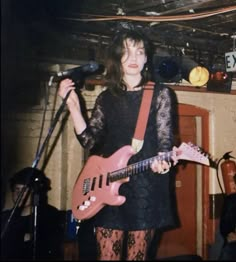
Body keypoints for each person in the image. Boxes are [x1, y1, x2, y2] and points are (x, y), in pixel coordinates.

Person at [58, 28, 178, 260]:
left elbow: (165, 143)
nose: (133, 58)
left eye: (139, 52)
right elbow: (90, 141)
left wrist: (164, 162)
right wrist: (73, 106)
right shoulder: (106, 98)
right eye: (126, 52)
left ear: (146, 59)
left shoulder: (160, 94)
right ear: (117, 58)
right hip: (106, 185)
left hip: (145, 188)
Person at [1, 167, 65, 261]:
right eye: (17, 189)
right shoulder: (5, 217)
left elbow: (48, 248)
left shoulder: (49, 215)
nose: (19, 194)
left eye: (25, 190)